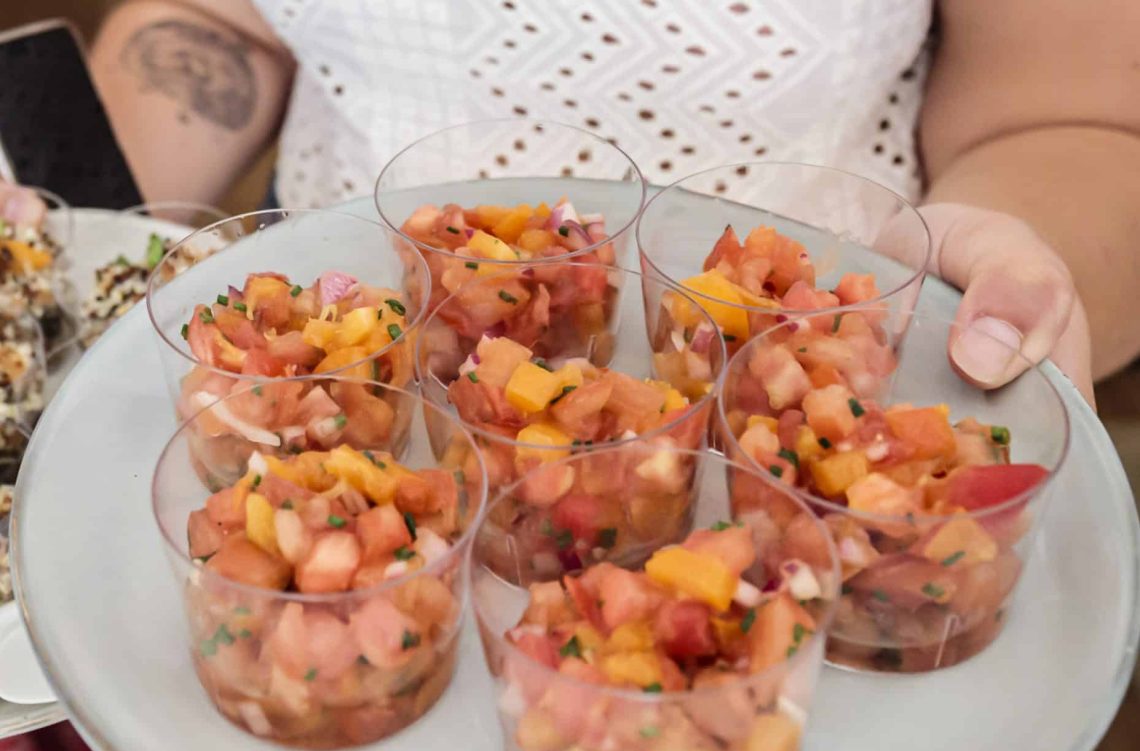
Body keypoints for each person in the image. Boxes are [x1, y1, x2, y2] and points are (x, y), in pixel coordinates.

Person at [90, 0, 1140, 405]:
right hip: (329, 385)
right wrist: (65, 242)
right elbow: (219, 20)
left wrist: (1008, 271)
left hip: (801, 400)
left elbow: (1070, 114)